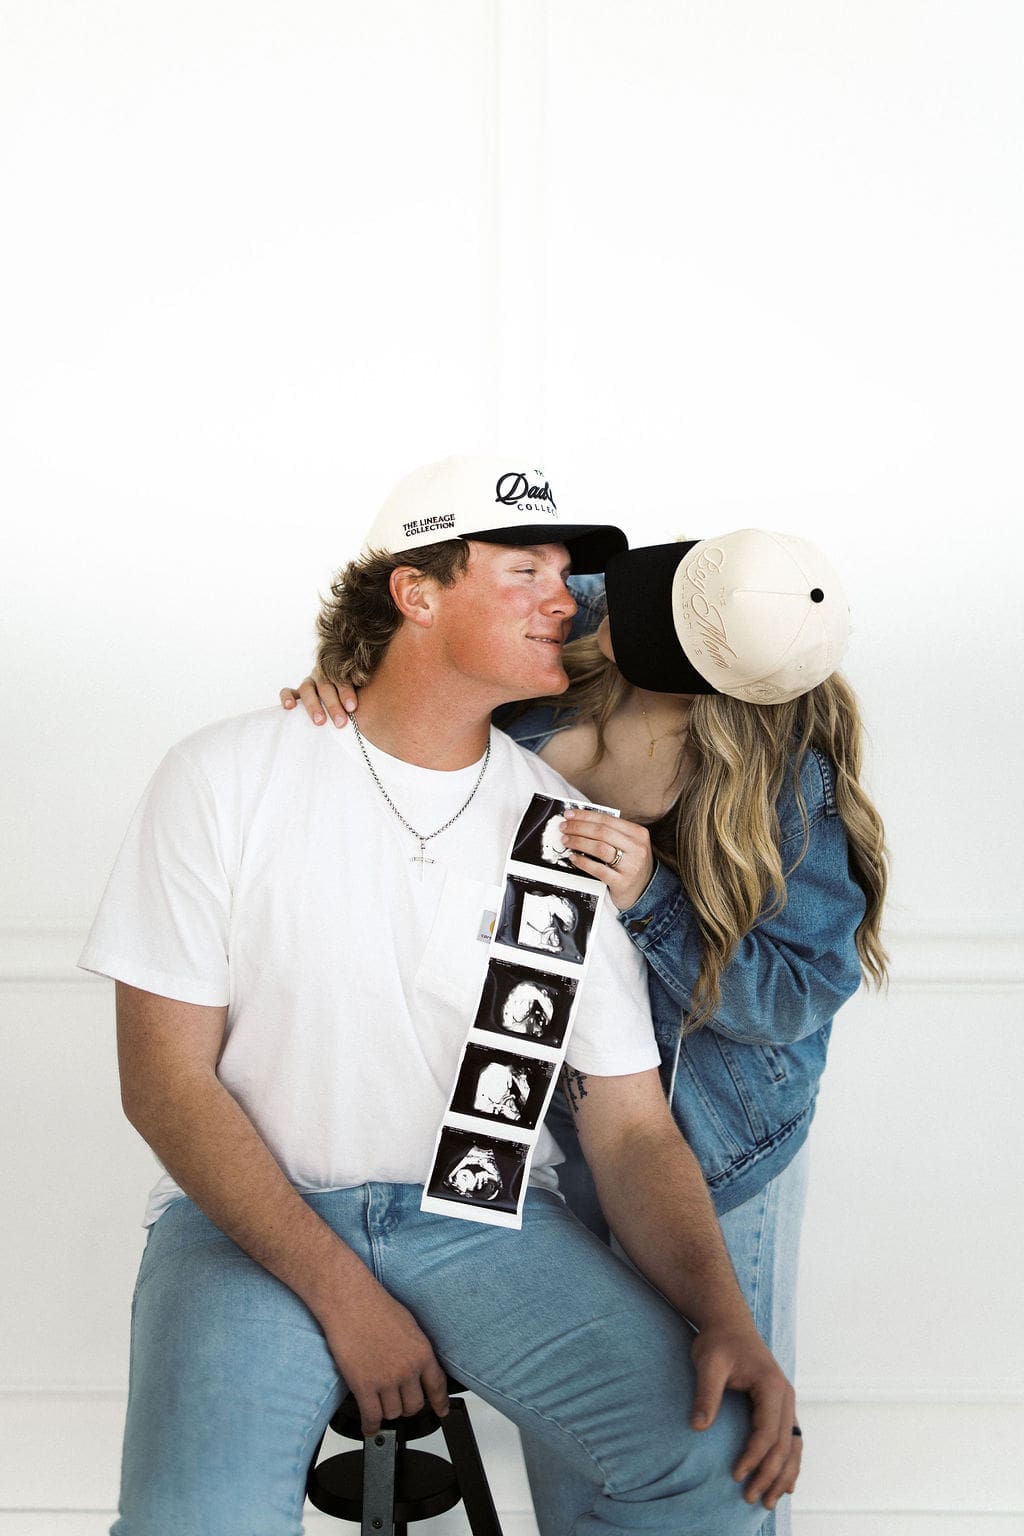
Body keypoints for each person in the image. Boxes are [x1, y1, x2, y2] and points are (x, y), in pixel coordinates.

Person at [81, 457, 802, 1536]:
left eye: (564, 572)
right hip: (246, 1222)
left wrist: (726, 1319)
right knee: (195, 1523)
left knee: (709, 1452)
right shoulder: (225, 777)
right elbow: (164, 1084)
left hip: (481, 1221)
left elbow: (630, 1128)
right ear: (415, 593)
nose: (564, 600)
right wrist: (346, 1298)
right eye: (524, 570)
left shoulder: (562, 828)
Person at [286, 522, 889, 1536]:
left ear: (695, 668)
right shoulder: (594, 621)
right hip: (530, 1119)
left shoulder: (788, 784)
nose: (584, 602)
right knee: (591, 1440)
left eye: (626, 605)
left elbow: (793, 996)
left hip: (707, 1139)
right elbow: (429, 637)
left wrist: (653, 899)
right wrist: (344, 682)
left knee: (720, 1438)